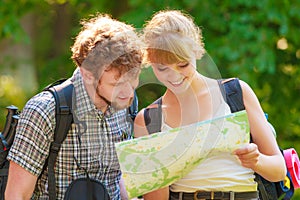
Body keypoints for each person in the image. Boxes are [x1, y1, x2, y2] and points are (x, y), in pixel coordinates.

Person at [134, 10, 286, 200]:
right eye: (162, 68)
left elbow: (279, 171)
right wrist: (159, 170)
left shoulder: (235, 93)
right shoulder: (148, 120)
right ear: (150, 61)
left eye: (182, 65)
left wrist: (256, 160)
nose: (174, 77)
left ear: (197, 52)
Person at [5, 13, 143, 199]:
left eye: (133, 79)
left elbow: (119, 179)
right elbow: (17, 194)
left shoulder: (127, 104)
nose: (128, 92)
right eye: (116, 84)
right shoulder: (45, 111)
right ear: (88, 75)